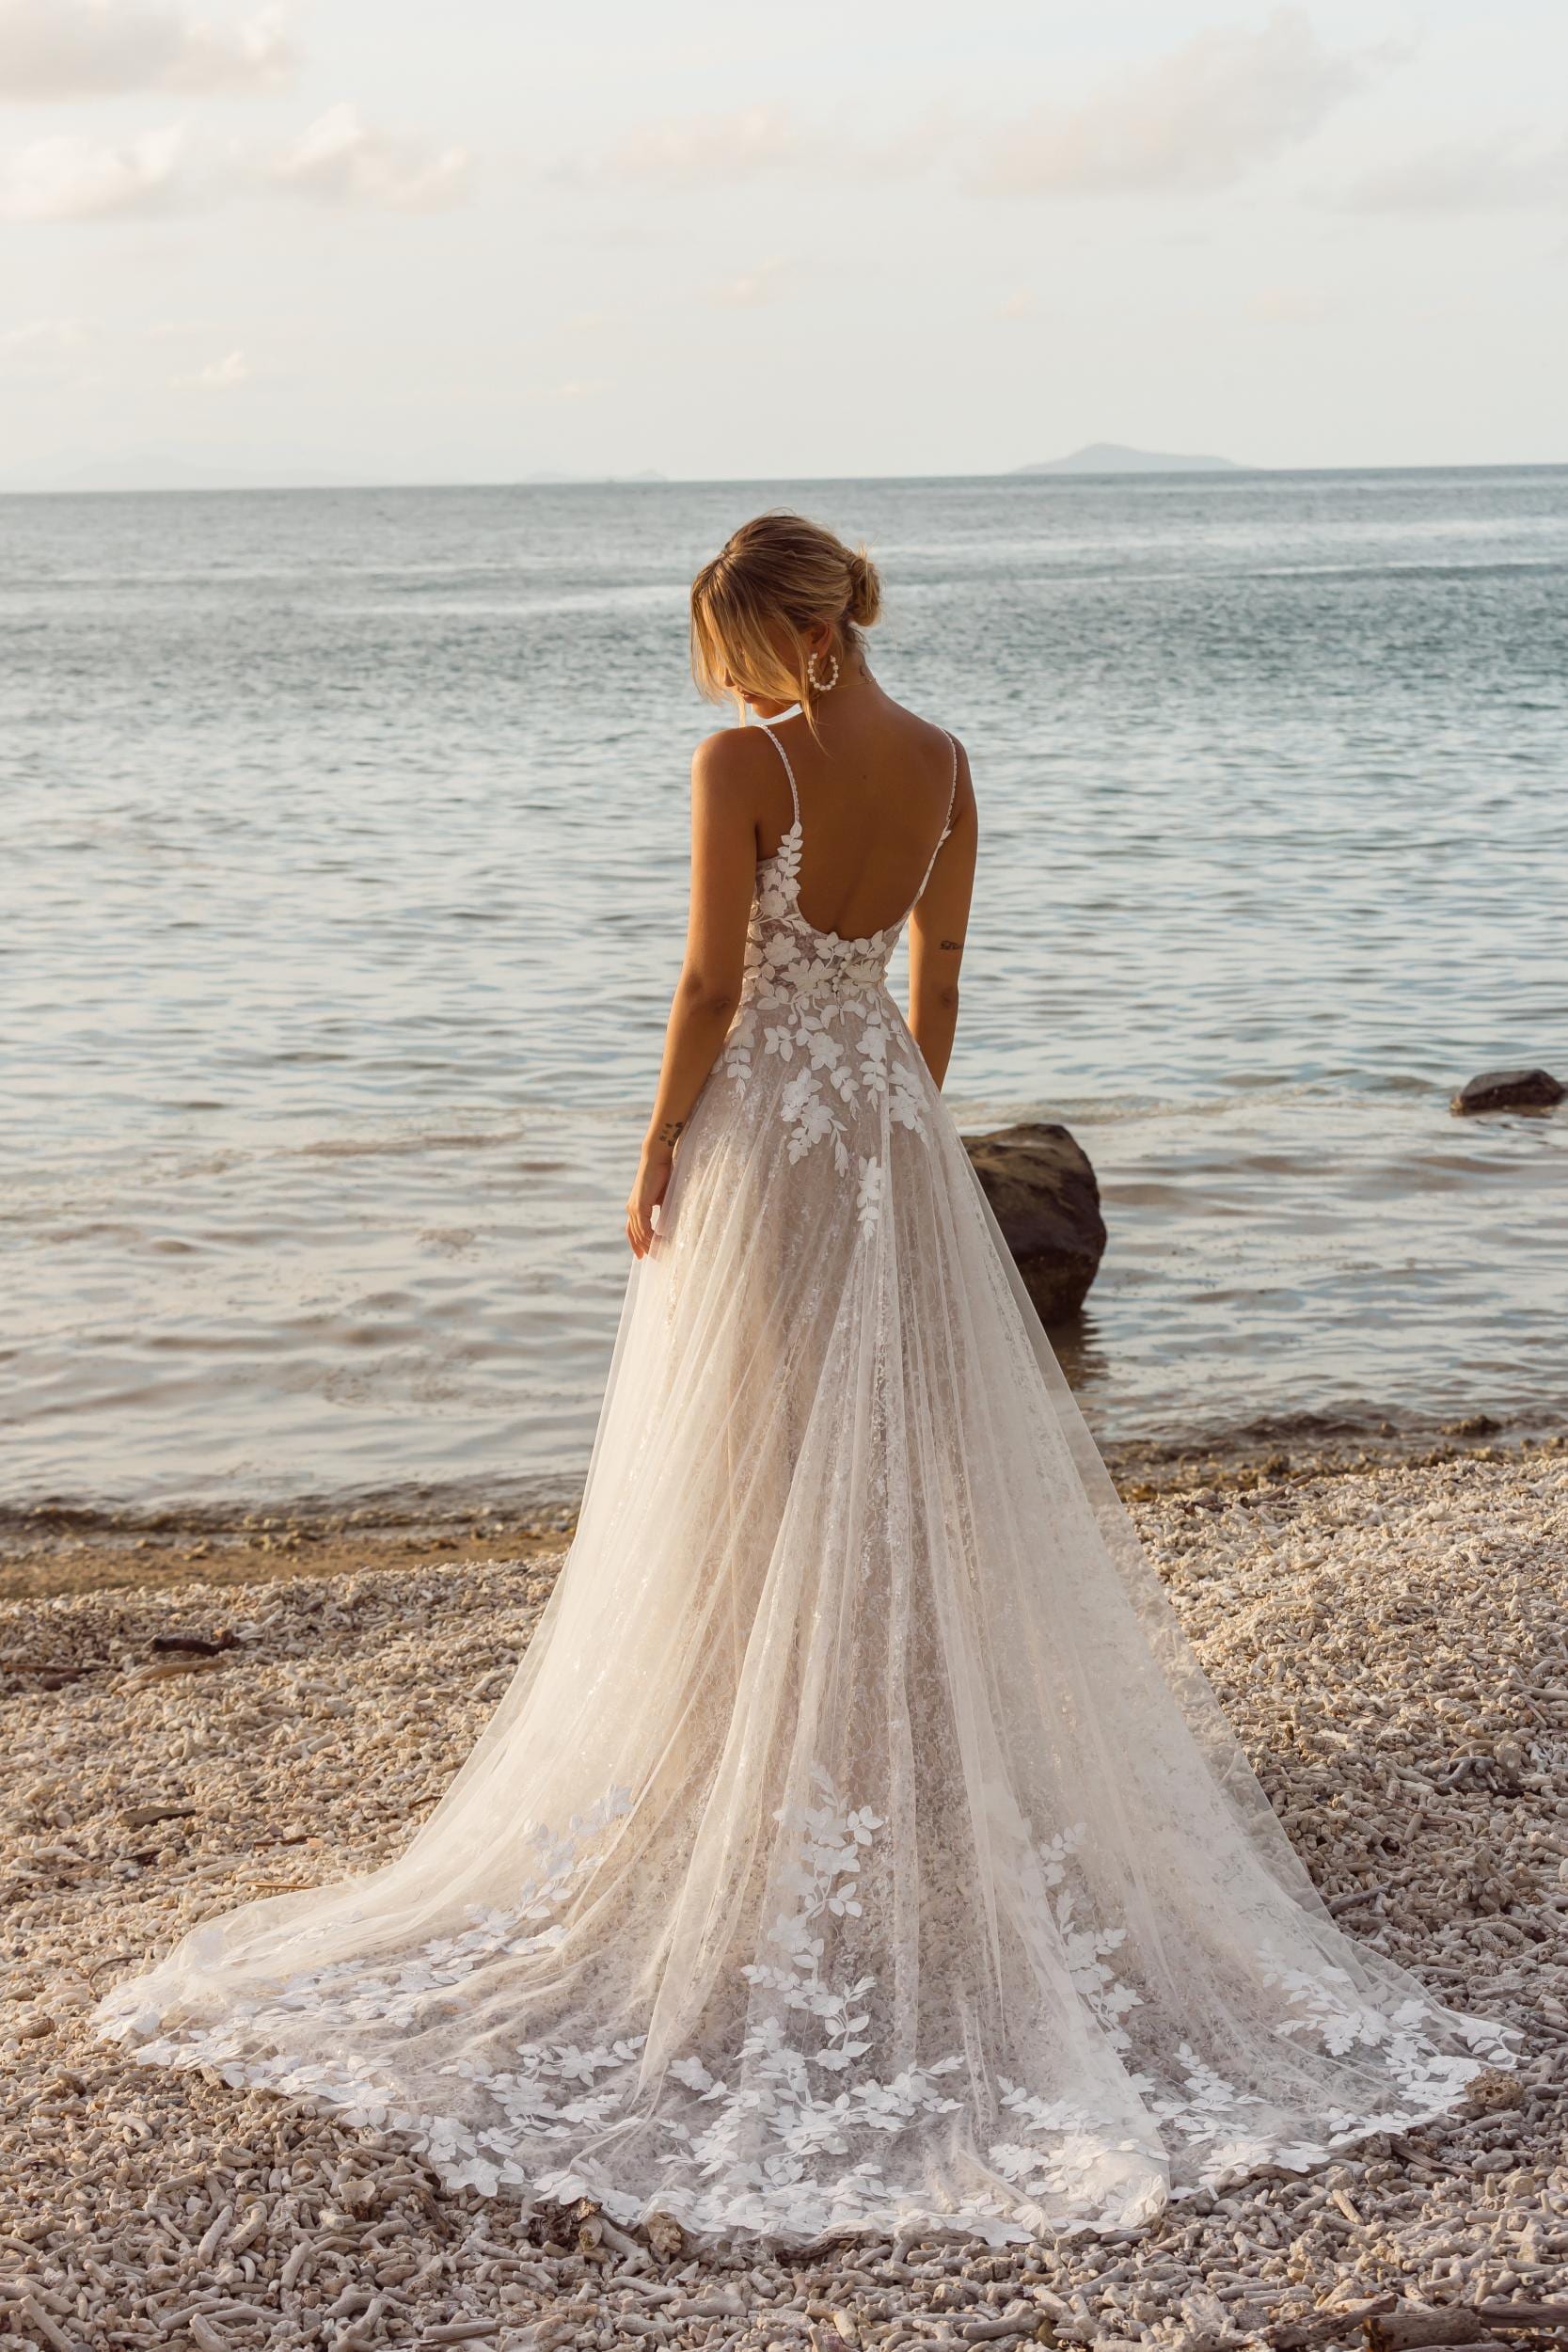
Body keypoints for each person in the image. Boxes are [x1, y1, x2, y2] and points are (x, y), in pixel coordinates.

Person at [95, 511, 1518, 2246]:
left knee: (746, 1463)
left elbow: (708, 979)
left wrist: (662, 1138)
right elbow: (938, 976)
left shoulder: (741, 763)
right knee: (893, 1456)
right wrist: (897, 1132)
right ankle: (881, 1764)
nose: (726, 675)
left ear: (789, 639)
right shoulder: (943, 761)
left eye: (733, 644)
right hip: (887, 1143)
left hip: (768, 1145)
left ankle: (755, 1779)